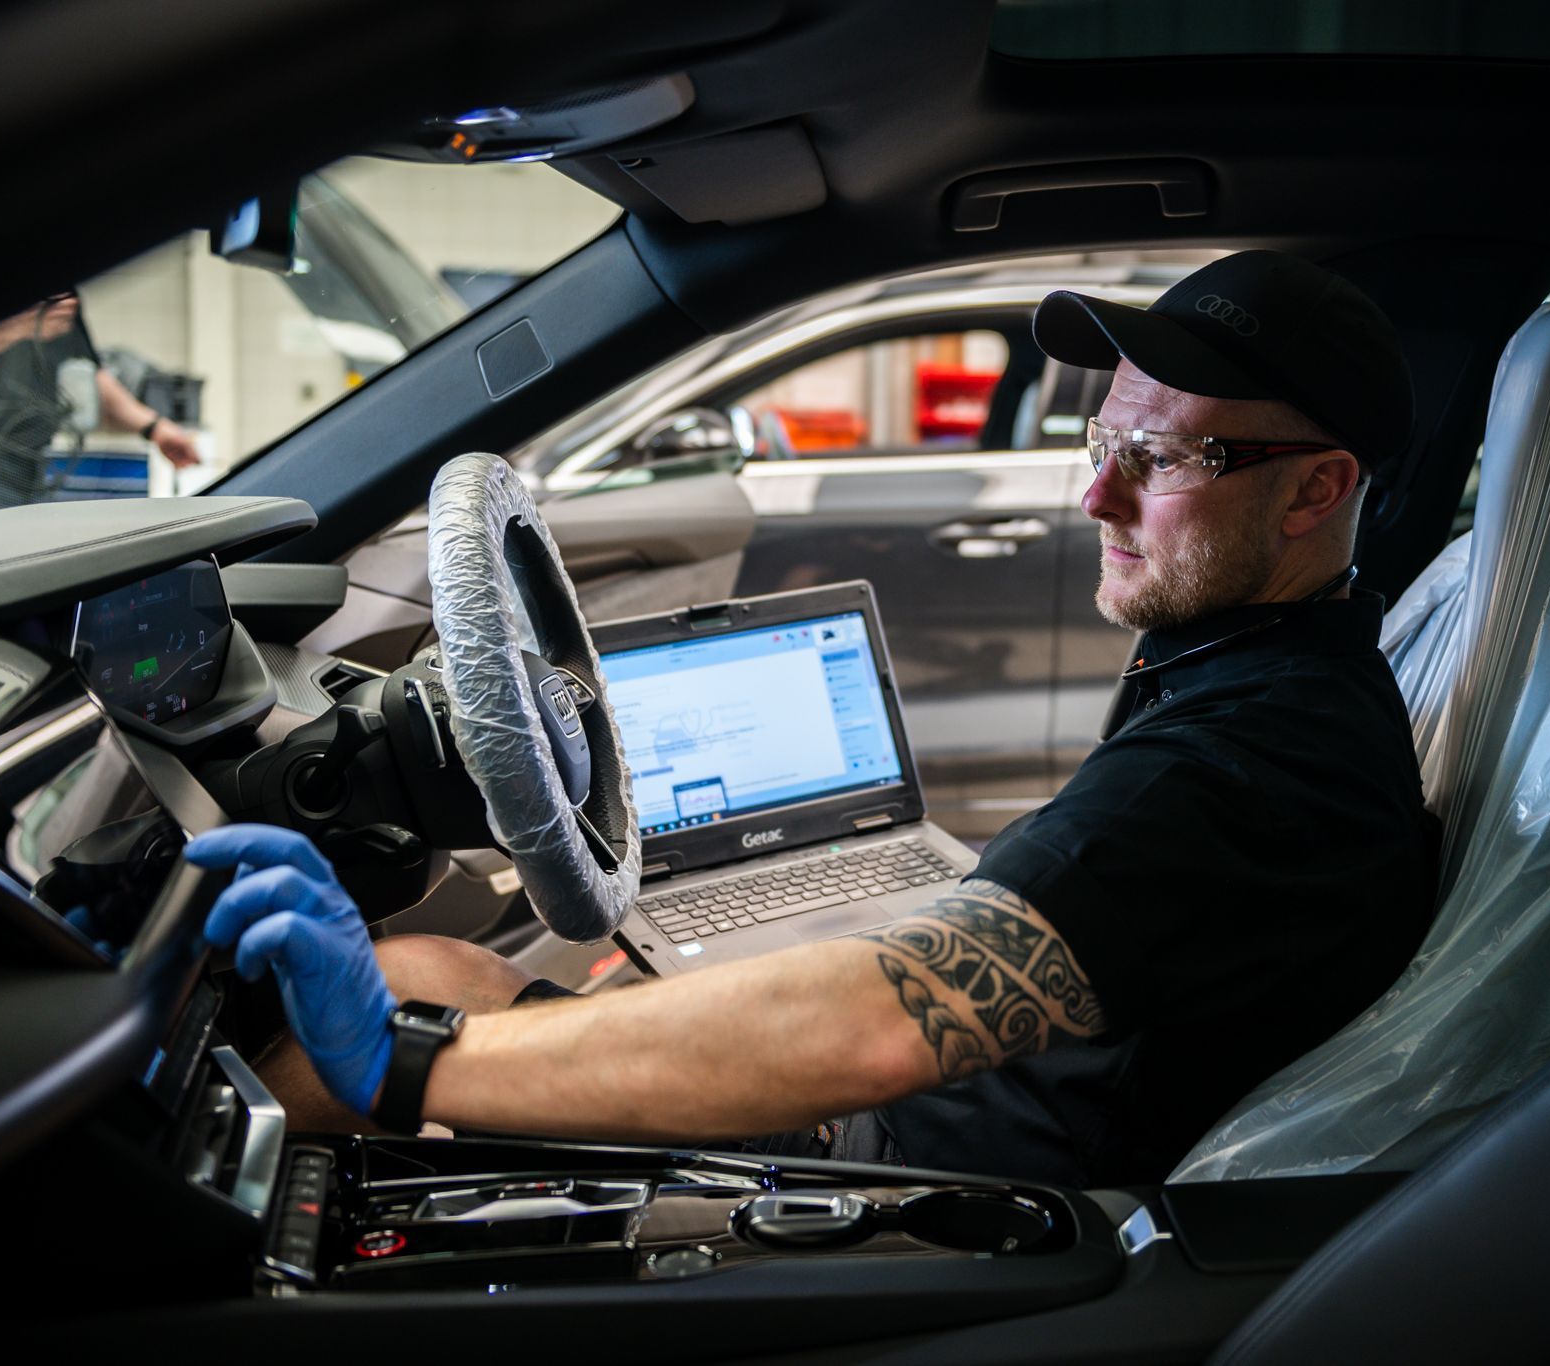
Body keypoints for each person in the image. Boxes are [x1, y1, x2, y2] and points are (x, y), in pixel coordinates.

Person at [191, 250, 1441, 1187]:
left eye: (1161, 460)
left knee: (390, 1015)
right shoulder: (1244, 667)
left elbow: (876, 1020)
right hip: (934, 1124)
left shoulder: (1254, 760)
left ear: (1314, 491)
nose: (1091, 493)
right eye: (1101, 436)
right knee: (435, 966)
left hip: (912, 1188)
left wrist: (404, 1067)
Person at [0, 290, 199, 519]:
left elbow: (88, 368)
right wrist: (18, 325)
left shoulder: (51, 275)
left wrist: (153, 426)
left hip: (25, 459)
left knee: (12, 582)